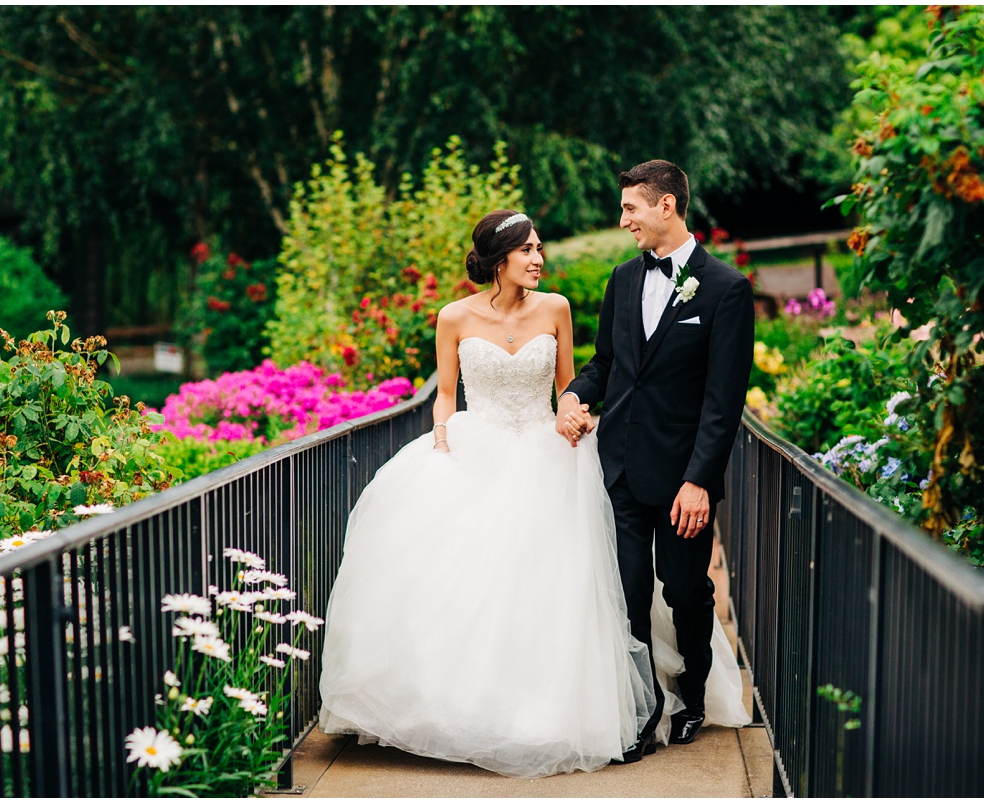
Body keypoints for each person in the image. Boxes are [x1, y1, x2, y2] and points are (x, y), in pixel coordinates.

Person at [317, 209, 656, 778]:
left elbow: (568, 386)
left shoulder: (556, 309)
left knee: (550, 585)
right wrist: (443, 443)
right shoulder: (453, 317)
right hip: (476, 447)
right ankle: (458, 707)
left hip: (546, 455)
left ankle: (543, 713)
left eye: (540, 248)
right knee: (462, 578)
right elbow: (445, 394)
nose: (538, 259)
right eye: (528, 251)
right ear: (501, 259)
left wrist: (576, 415)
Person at [557, 160, 755, 760]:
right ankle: (641, 712)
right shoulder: (622, 279)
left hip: (680, 480)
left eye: (631, 209)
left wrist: (699, 481)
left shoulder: (725, 288)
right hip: (616, 467)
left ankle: (691, 700)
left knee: (687, 592)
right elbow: (608, 363)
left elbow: (723, 404)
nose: (624, 221)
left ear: (666, 206)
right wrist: (572, 394)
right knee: (626, 591)